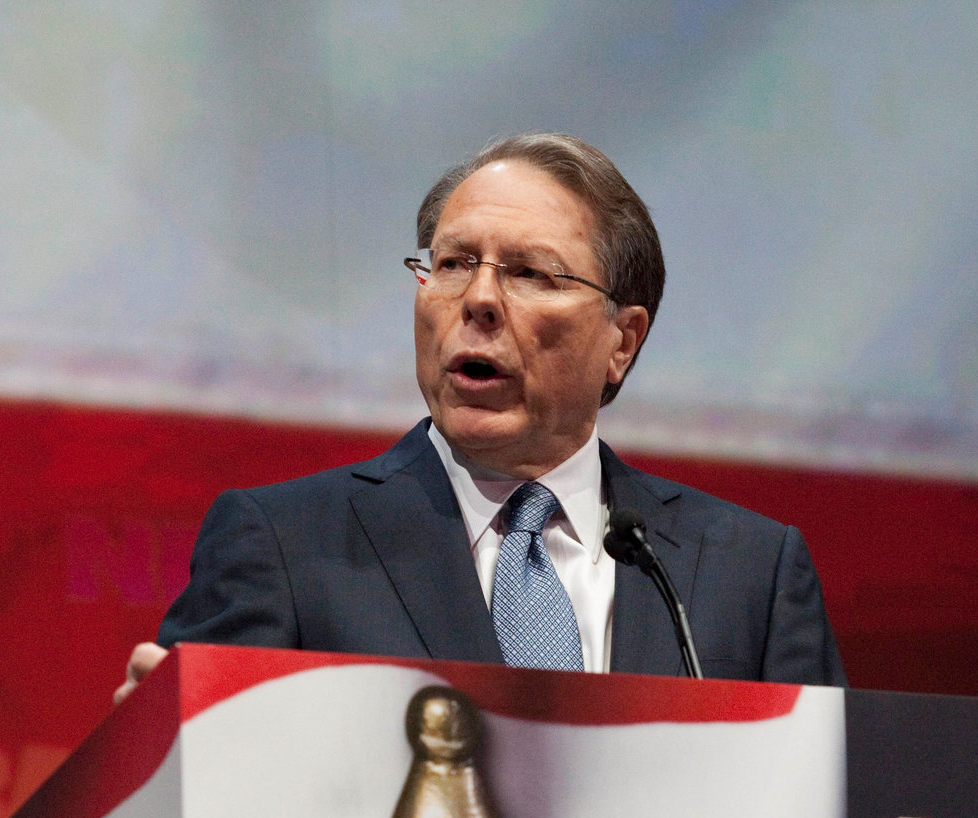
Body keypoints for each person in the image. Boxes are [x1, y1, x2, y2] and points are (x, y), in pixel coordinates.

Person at [114, 132, 843, 704]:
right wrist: (158, 751)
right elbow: (202, 793)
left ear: (621, 342)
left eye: (530, 273)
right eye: (455, 263)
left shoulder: (750, 572)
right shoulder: (284, 546)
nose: (480, 299)